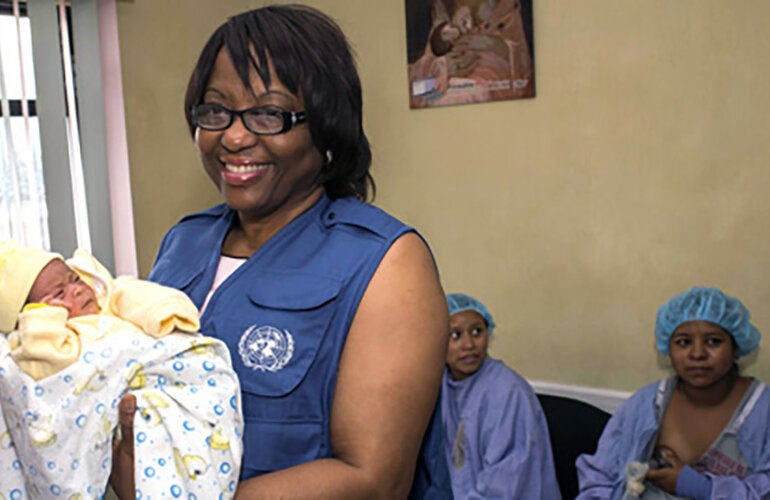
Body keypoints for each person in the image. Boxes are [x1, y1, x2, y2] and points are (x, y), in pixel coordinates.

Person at [112, 4, 451, 498]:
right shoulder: (183, 242)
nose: (232, 135)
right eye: (216, 110)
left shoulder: (387, 263)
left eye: (268, 113)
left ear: (326, 127)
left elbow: (372, 479)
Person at [0, 239, 243, 498]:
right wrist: (42, 319)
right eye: (60, 294)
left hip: (178, 378)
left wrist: (166, 314)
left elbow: (149, 302)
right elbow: (45, 364)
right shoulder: (58, 339)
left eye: (75, 279)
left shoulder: (109, 305)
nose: (78, 290)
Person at [576, 286, 770, 499]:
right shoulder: (648, 404)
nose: (697, 354)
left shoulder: (762, 410)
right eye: (683, 342)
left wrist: (700, 487)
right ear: (668, 349)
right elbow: (600, 475)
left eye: (713, 341)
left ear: (736, 347)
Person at [442, 292, 561, 499]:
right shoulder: (439, 385)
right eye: (455, 335)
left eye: (477, 331)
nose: (469, 344)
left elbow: (506, 484)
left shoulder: (507, 392)